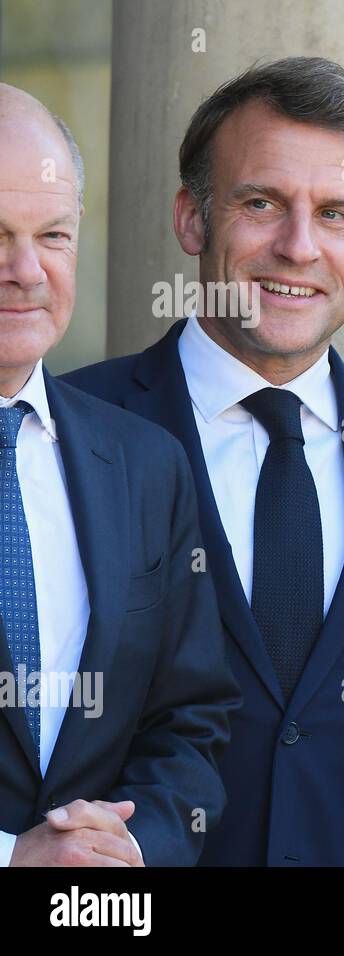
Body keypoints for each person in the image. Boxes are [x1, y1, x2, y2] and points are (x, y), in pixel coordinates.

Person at [64, 57, 344, 866]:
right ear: (192, 219)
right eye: (262, 204)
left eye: (336, 215)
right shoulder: (72, 432)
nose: (298, 247)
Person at [0, 84, 238, 867]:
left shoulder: (142, 461)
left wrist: (134, 845)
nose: (27, 270)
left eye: (54, 235)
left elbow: (190, 717)